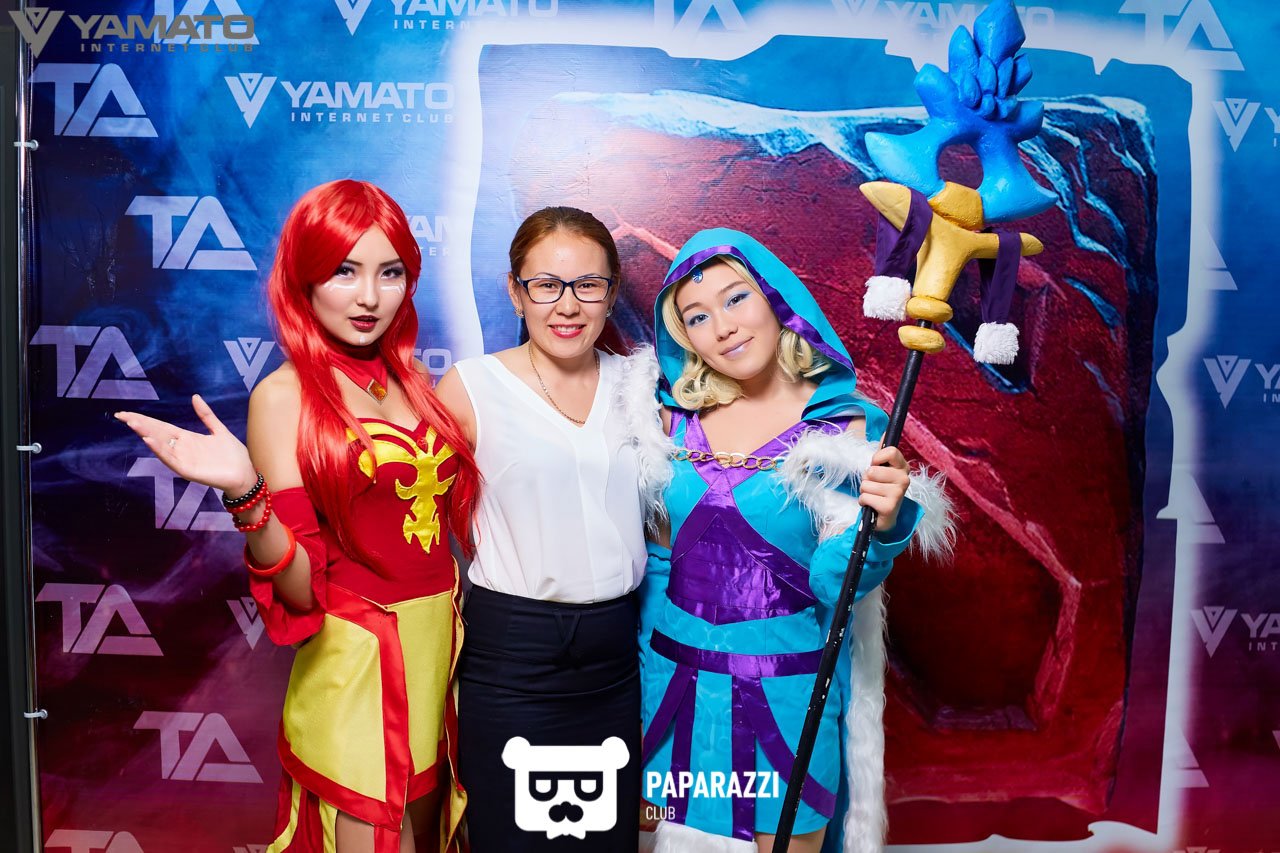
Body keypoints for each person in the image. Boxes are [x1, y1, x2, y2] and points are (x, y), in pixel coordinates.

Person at [116, 180, 481, 853]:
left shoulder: (417, 384)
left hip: (436, 654)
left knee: (433, 833)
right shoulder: (283, 397)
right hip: (359, 664)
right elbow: (300, 589)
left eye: (390, 273)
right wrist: (246, 492)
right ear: (304, 279)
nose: (369, 297)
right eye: (345, 271)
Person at [629, 229, 954, 853]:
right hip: (671, 689)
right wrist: (644, 690)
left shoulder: (843, 430)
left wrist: (882, 527)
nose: (722, 327)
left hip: (786, 693)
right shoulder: (670, 422)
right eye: (697, 316)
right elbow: (661, 566)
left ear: (776, 298)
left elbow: (835, 584)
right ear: (684, 336)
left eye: (736, 299)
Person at [432, 206, 648, 852]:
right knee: (509, 838)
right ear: (515, 290)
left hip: (615, 655)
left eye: (588, 285)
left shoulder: (640, 385)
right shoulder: (471, 386)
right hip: (511, 653)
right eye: (546, 285)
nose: (568, 305)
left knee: (607, 842)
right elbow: (409, 513)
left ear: (611, 292)